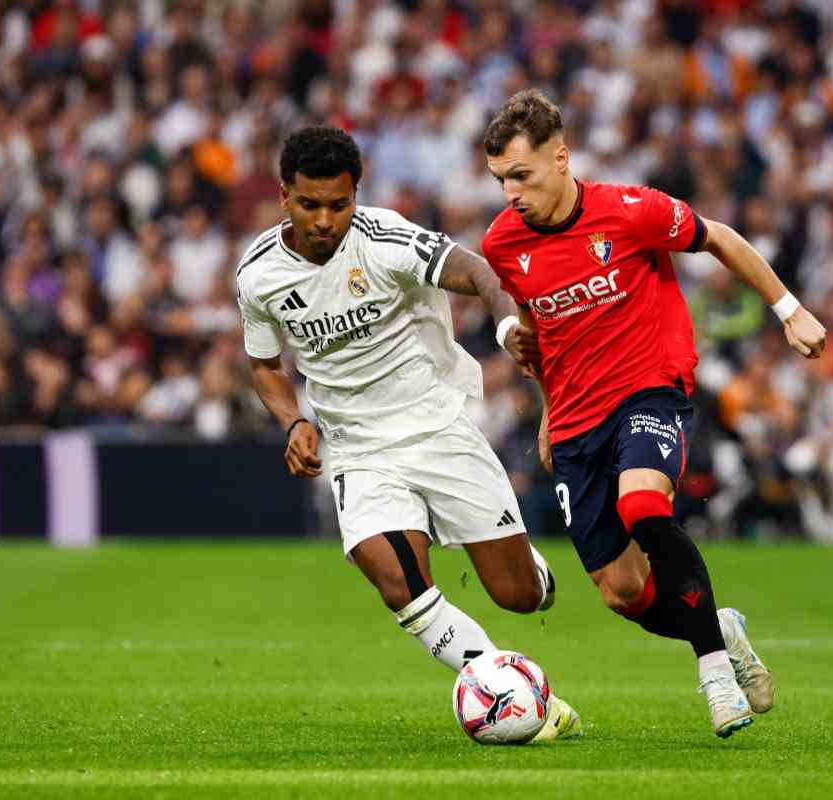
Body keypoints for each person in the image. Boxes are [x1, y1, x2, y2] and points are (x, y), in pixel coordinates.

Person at [481, 90, 827, 738]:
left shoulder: (631, 211)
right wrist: (549, 413)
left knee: (644, 505)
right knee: (624, 593)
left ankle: (715, 675)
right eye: (500, 179)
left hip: (650, 389)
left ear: (561, 157)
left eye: (521, 176)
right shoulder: (504, 244)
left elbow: (718, 237)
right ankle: (718, 626)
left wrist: (789, 310)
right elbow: (541, 327)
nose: (510, 193)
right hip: (578, 419)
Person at [237, 126, 581, 741]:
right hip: (355, 446)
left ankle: (532, 574)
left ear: (356, 196)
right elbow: (266, 366)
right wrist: (293, 421)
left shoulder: (384, 239)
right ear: (284, 193)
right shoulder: (259, 274)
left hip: (434, 426)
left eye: (338, 205)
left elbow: (476, 271)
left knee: (519, 596)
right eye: (309, 204)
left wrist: (506, 329)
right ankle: (512, 692)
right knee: (399, 582)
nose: (324, 220)